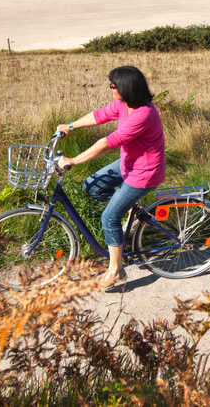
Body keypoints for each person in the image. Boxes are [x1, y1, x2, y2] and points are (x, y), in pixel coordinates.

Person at [57, 66, 166, 290]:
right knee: (93, 186)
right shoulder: (124, 104)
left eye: (113, 86)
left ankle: (116, 270)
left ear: (126, 88)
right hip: (129, 162)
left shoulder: (143, 114)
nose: (110, 89)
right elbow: (100, 115)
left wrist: (74, 160)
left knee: (109, 217)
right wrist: (70, 126)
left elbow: (107, 143)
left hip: (144, 172)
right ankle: (132, 213)